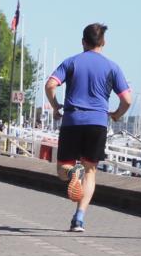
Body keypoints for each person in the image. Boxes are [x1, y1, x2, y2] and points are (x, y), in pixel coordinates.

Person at [44, 23, 132, 233]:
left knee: (62, 170)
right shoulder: (112, 67)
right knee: (90, 171)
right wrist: (116, 115)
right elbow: (127, 100)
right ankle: (79, 219)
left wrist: (56, 106)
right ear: (104, 42)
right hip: (97, 122)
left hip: (72, 120)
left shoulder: (72, 62)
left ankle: (73, 171)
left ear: (83, 41)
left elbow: (50, 85)